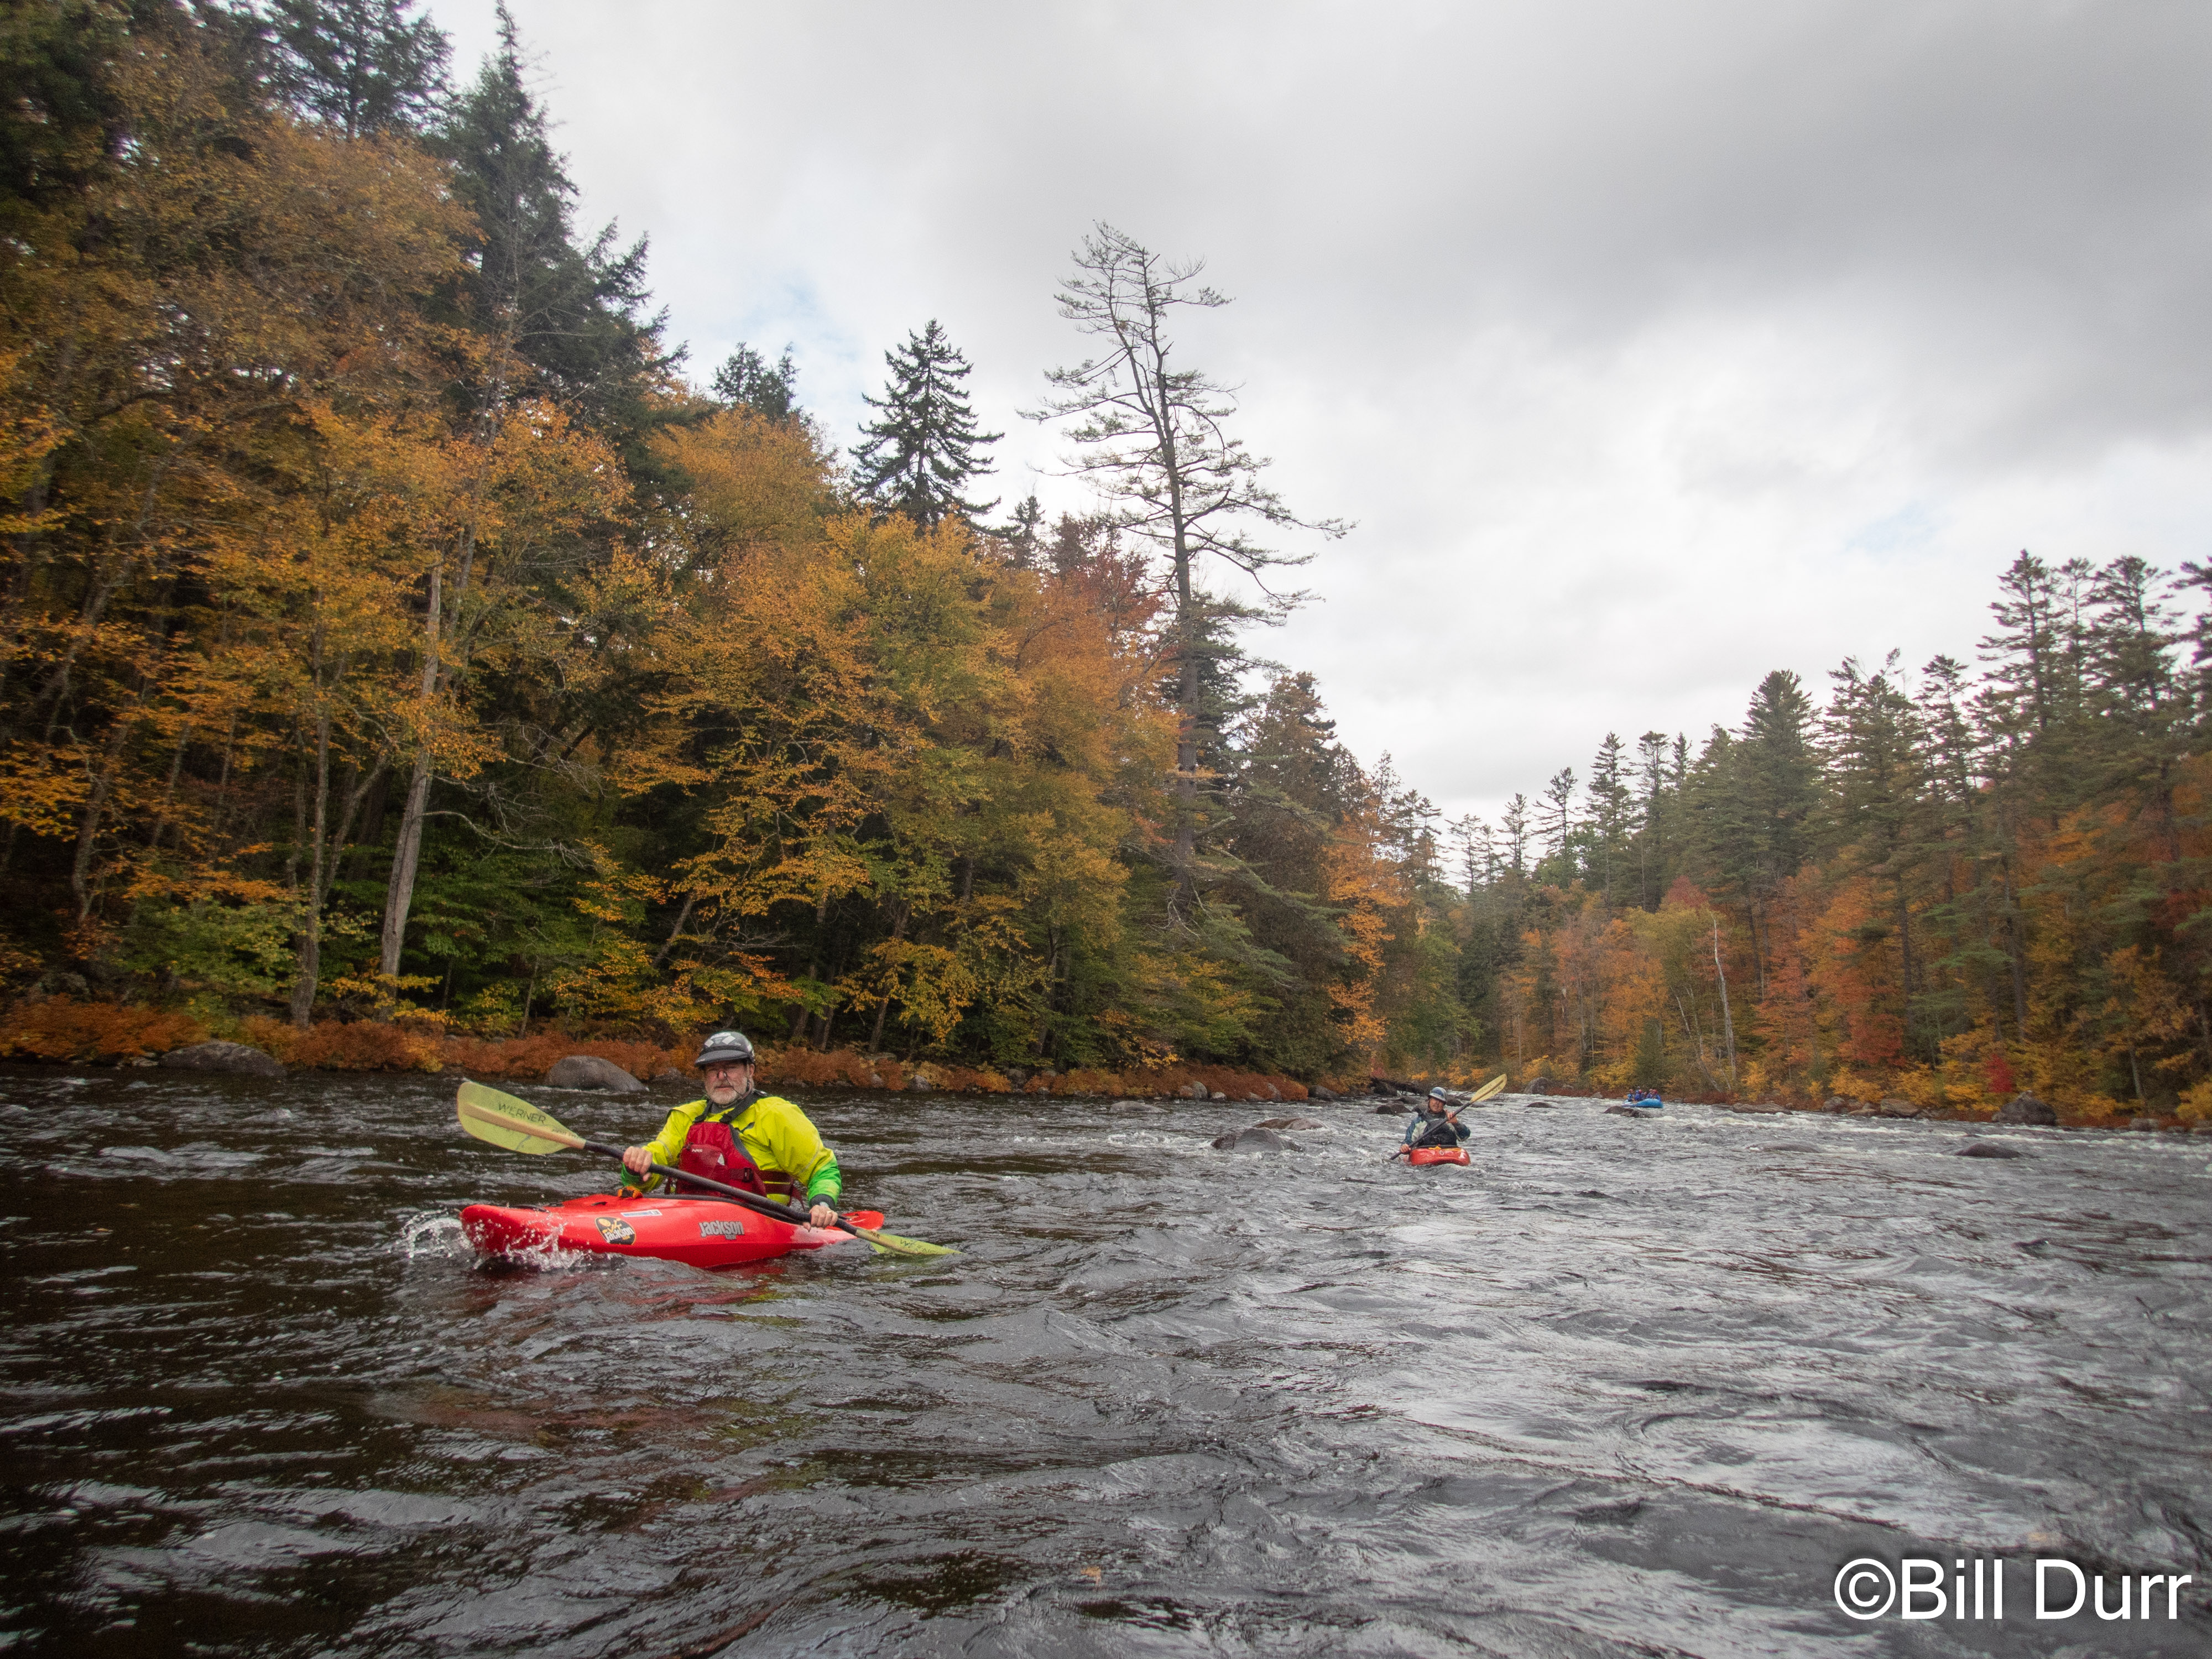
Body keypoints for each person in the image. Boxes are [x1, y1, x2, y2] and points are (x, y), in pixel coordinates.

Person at [618, 1030, 842, 1226]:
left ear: (750, 1070)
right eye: (712, 1070)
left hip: (761, 1222)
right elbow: (654, 1164)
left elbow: (821, 1168)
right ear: (705, 1076)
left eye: (731, 1068)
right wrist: (636, 1166)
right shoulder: (685, 1116)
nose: (721, 1076)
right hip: (687, 1219)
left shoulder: (777, 1114)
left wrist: (822, 1205)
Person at [1404, 1086, 1473, 1151]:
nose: (1437, 1103)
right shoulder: (1418, 1121)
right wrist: (1405, 1148)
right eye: (1435, 1099)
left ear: (1444, 1104)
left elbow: (1465, 1137)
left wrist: (1456, 1123)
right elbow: (1408, 1143)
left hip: (1448, 1154)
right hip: (1425, 1155)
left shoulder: (1450, 1119)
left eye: (1440, 1101)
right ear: (1429, 1100)